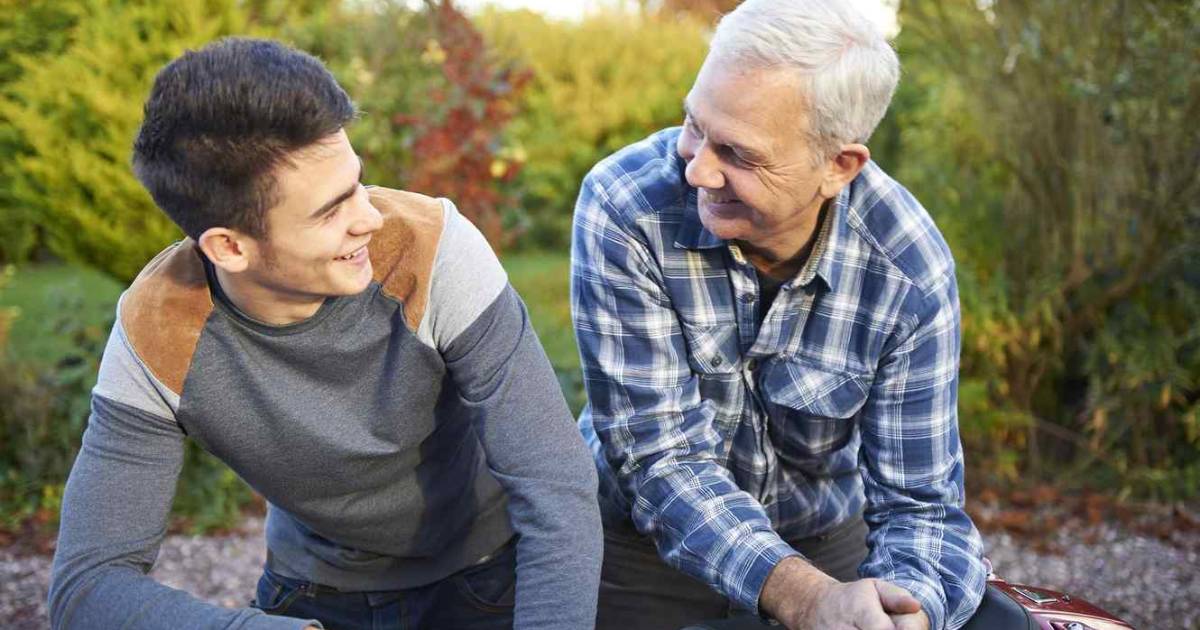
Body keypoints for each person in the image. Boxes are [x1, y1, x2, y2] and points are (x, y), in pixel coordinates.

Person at [48, 37, 601, 630]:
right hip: (313, 592)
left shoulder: (433, 250)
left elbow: (558, 491)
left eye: (357, 183)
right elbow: (88, 586)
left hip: (488, 576)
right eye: (330, 211)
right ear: (229, 247)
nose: (370, 217)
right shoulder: (160, 329)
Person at [570, 1, 987, 629]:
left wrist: (908, 610)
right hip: (638, 548)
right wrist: (805, 598)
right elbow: (657, 457)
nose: (698, 169)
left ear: (838, 166)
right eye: (694, 123)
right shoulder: (627, 206)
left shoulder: (908, 271)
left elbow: (920, 505)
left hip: (823, 539)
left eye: (738, 154)